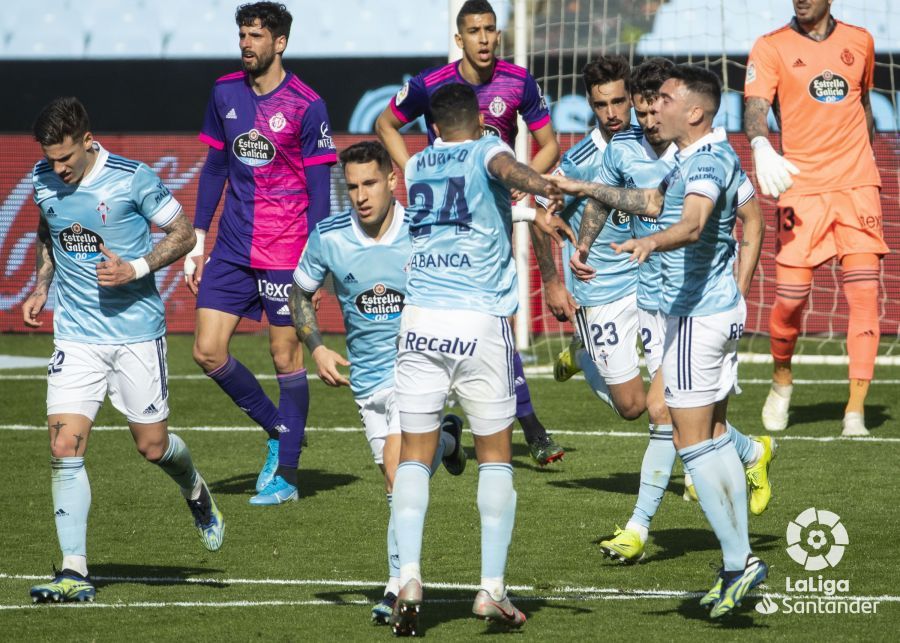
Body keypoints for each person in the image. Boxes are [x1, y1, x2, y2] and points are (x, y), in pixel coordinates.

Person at [550, 65, 768, 618]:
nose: (651, 109)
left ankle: (738, 565)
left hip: (697, 316)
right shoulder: (691, 159)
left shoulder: (708, 160)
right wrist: (580, 188)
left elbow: (692, 223)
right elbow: (650, 200)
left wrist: (651, 243)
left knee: (689, 441)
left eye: (663, 100)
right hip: (695, 314)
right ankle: (735, 561)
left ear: (693, 111)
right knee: (711, 437)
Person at [23, 97, 225, 604]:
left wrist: (134, 268)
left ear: (89, 142)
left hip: (136, 333)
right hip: (76, 335)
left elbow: (182, 235)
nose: (59, 169)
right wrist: (42, 284)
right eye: (51, 160)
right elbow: (49, 230)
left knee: (152, 447)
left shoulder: (134, 177)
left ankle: (196, 491)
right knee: (64, 445)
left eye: (66, 158)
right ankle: (75, 572)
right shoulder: (43, 179)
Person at [389, 83, 564, 636]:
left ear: (434, 127)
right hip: (477, 320)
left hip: (418, 320)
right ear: (485, 125)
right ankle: (491, 589)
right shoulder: (486, 150)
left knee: (415, 456)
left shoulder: (417, 165)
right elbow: (511, 173)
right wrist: (549, 187)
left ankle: (410, 578)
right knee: (495, 457)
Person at [375, 0, 565, 466]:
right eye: (473, 31)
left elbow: (549, 145)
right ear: (459, 39)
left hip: (491, 214)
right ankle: (525, 427)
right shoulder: (431, 84)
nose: (483, 39)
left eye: (490, 30)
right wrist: (416, 173)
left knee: (488, 317)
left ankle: (465, 432)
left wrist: (518, 189)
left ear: (499, 35)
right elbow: (385, 124)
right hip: (445, 220)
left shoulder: (518, 81)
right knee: (469, 318)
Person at [288, 141, 467, 624]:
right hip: (367, 383)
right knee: (399, 478)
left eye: (370, 183)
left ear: (392, 180)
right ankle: (448, 441)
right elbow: (299, 294)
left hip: (422, 368)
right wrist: (318, 346)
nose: (361, 195)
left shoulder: (425, 230)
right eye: (352, 187)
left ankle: (397, 584)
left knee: (395, 474)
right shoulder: (328, 237)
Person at [186, 1, 337, 505]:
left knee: (284, 353)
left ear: (280, 43)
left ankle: (288, 477)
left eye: (255, 35)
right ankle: (279, 429)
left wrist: (316, 266)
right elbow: (213, 170)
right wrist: (197, 238)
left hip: (286, 249)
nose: (246, 44)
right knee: (207, 350)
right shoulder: (224, 91)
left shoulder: (306, 103)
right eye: (242, 35)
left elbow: (320, 193)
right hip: (231, 244)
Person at [744, 0, 887, 436]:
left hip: (856, 187)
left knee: (863, 294)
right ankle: (782, 380)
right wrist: (759, 145)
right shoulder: (770, 46)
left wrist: (864, 156)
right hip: (799, 187)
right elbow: (754, 107)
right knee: (789, 298)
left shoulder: (860, 40)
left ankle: (855, 412)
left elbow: (861, 103)